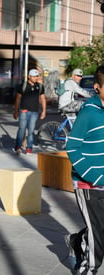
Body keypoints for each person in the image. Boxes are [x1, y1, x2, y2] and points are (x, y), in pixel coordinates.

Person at [65, 65, 104, 274]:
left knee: (99, 229)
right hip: (88, 183)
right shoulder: (89, 113)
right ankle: (88, 268)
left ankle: (76, 240)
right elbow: (72, 147)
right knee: (97, 232)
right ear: (97, 87)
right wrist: (95, 177)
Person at [13, 68, 46, 155]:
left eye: (37, 76)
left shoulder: (40, 86)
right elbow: (18, 98)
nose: (36, 78)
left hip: (34, 112)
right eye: (34, 76)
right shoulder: (23, 86)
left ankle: (29, 148)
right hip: (23, 111)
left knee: (31, 131)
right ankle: (18, 146)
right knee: (22, 129)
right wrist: (16, 111)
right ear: (29, 76)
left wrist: (44, 111)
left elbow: (43, 99)